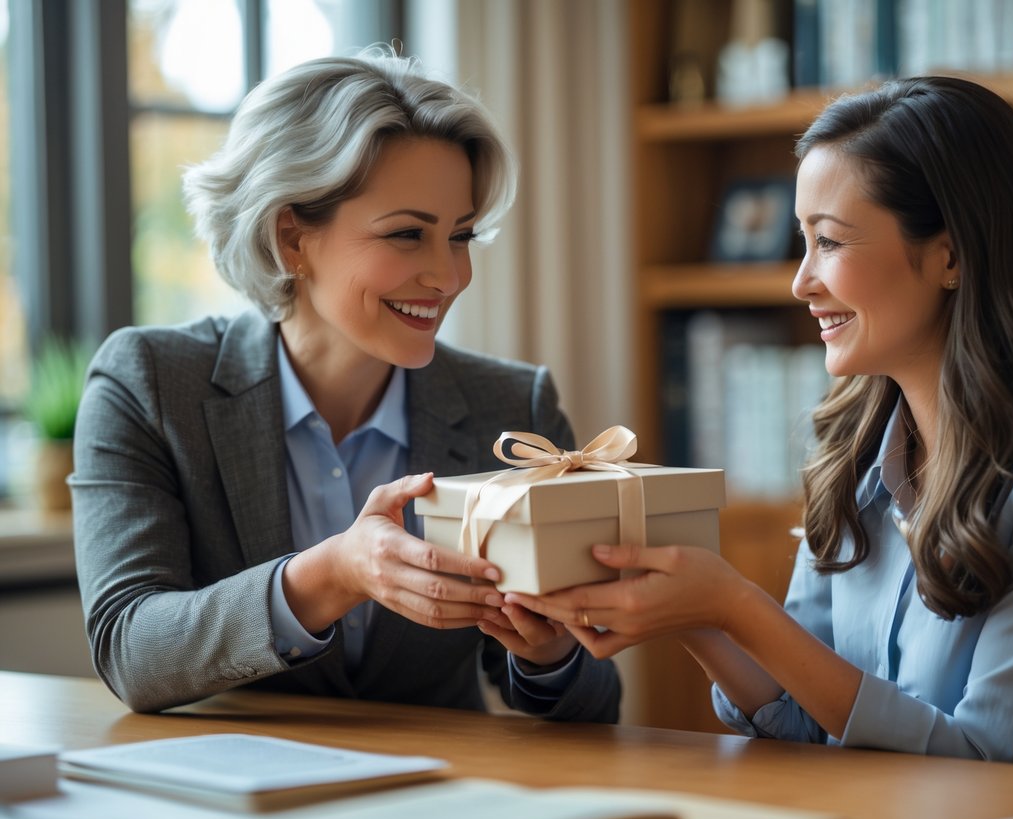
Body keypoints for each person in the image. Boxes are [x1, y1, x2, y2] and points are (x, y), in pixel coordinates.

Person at [508, 76, 1013, 773]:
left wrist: (734, 606)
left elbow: (987, 760)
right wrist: (695, 616)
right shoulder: (857, 445)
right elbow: (807, 719)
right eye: (803, 242)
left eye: (828, 243)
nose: (800, 281)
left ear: (950, 256)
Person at [70, 47, 619, 721]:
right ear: (291, 237)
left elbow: (597, 704)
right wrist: (333, 574)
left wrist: (548, 655)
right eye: (407, 235)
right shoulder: (150, 383)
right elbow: (130, 649)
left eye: (461, 236)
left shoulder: (510, 409)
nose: (449, 277)